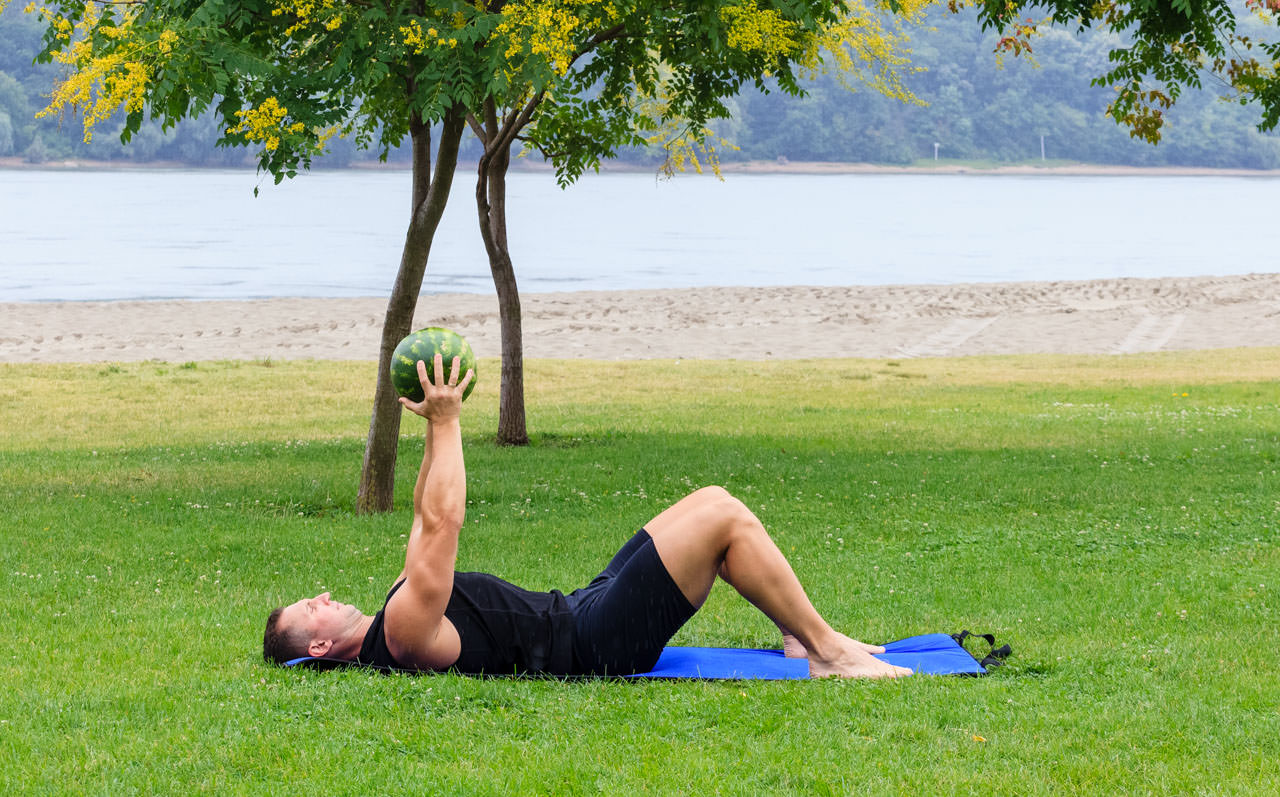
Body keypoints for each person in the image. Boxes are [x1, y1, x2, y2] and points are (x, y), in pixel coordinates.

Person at [263, 354, 910, 679]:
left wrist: (436, 417)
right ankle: (827, 652)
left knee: (710, 497)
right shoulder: (402, 634)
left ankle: (798, 633)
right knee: (726, 519)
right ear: (319, 647)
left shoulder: (395, 612)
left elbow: (422, 512)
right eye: (308, 607)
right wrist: (450, 420)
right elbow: (442, 523)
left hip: (580, 606)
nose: (320, 595)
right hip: (595, 642)